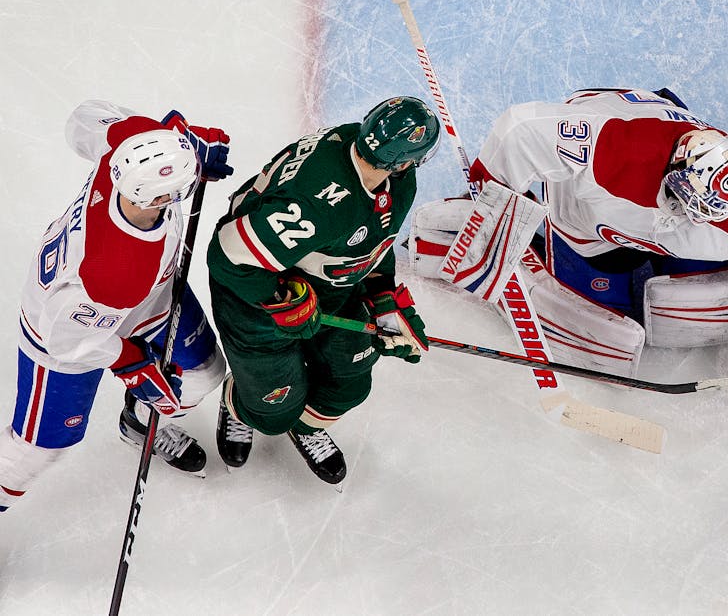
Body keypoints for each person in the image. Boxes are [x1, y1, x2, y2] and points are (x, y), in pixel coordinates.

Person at [409, 88, 728, 433]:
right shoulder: (616, 151)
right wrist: (492, 196)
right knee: (591, 273)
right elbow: (522, 129)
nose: (700, 220)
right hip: (587, 203)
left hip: (661, 177)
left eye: (710, 216)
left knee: (704, 262)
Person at [1, 100, 231, 511]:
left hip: (147, 301)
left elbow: (83, 120)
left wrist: (180, 143)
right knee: (37, 450)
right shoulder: (118, 271)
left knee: (203, 373)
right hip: (64, 331)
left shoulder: (128, 145)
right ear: (153, 198)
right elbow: (67, 337)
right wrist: (131, 362)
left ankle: (139, 422)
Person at [206, 96, 439, 485]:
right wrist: (279, 300)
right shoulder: (319, 202)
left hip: (328, 288)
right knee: (273, 409)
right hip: (254, 301)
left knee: (351, 378)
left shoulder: (389, 174)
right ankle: (239, 401)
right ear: (401, 159)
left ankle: (307, 426)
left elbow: (375, 238)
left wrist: (382, 297)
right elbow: (228, 256)